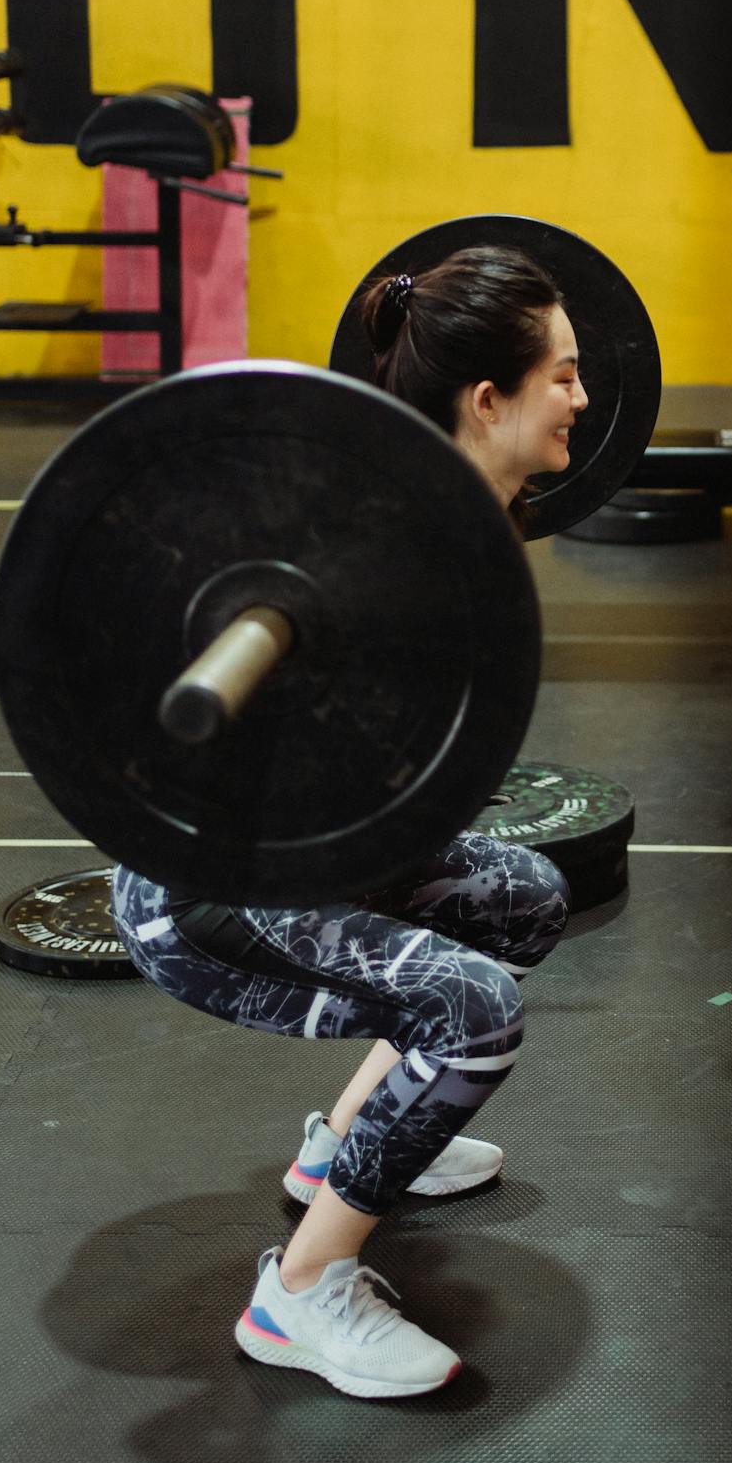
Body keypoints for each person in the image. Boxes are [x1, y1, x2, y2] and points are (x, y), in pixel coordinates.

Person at [112, 244, 587, 1392]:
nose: (584, 397)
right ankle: (300, 1292)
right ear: (488, 400)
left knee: (527, 900)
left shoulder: (472, 525)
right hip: (213, 882)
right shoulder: (386, 543)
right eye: (563, 376)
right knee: (476, 1008)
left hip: (320, 843)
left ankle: (347, 1145)